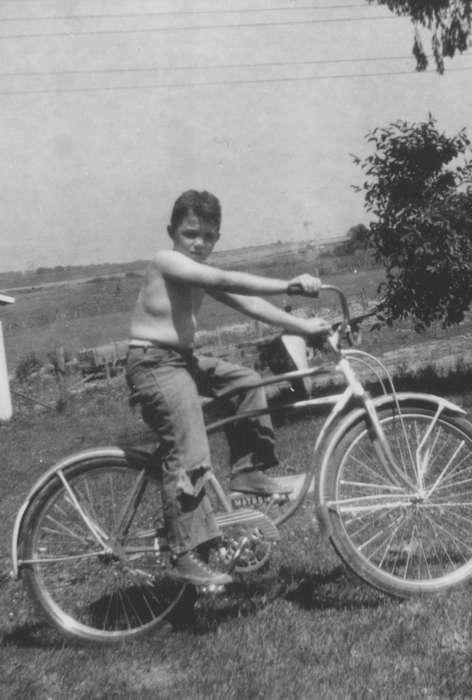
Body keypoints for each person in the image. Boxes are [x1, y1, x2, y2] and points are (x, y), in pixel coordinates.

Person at [124, 189, 331, 586]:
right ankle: (183, 554)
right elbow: (223, 277)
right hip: (153, 364)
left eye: (208, 236)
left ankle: (247, 471)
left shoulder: (195, 269)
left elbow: (248, 303)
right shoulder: (168, 261)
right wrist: (289, 285)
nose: (199, 243)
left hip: (180, 360)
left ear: (217, 237)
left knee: (247, 382)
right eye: (190, 234)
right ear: (172, 232)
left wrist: (304, 327)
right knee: (189, 453)